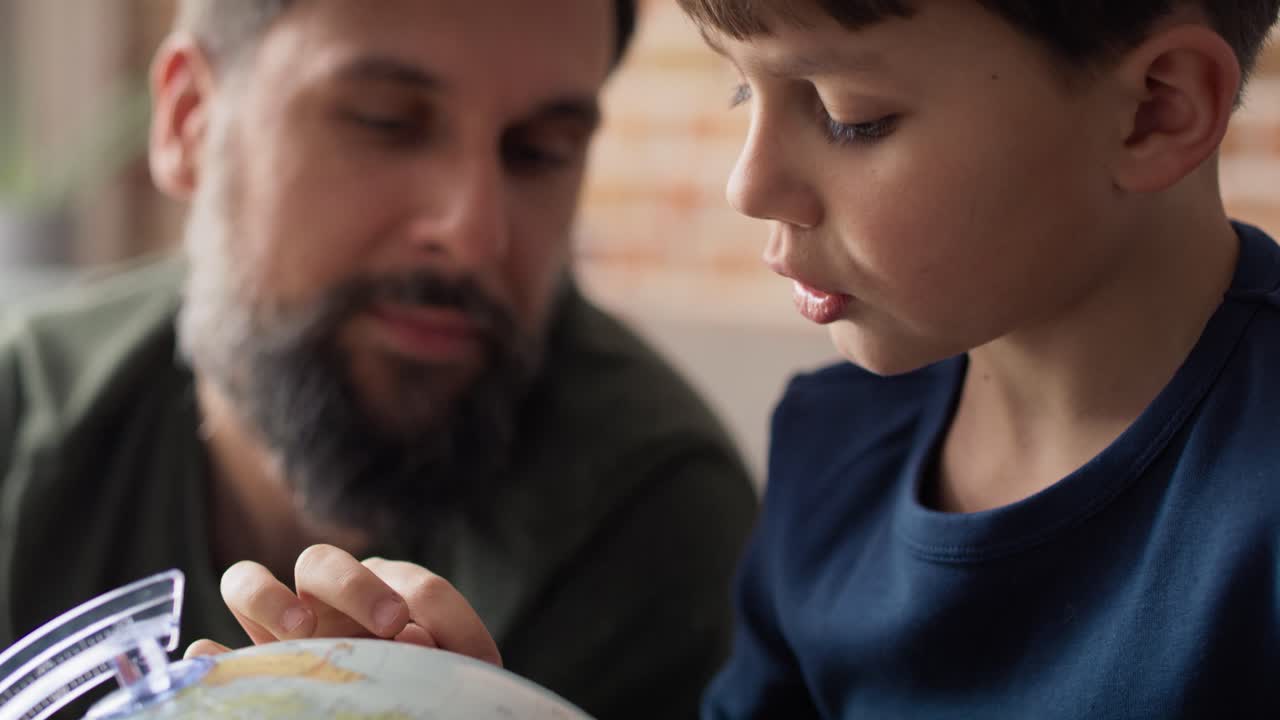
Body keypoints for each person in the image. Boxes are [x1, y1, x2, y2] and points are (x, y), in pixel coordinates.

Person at [234, 0, 1280, 717]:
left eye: (847, 115)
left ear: (1156, 110)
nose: (750, 182)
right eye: (742, 92)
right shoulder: (832, 449)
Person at [0, 1, 759, 717]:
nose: (473, 232)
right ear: (191, 120)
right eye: (387, 124)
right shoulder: (19, 429)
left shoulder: (650, 526)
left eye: (539, 152)